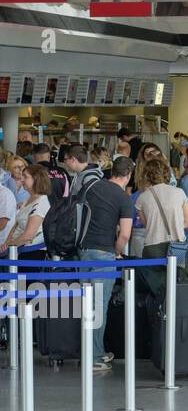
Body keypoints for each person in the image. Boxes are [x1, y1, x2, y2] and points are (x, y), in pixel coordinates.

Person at [73, 157, 135, 371]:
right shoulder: (123, 198)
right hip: (104, 255)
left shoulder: (92, 186)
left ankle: (88, 351)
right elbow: (125, 234)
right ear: (128, 175)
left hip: (83, 253)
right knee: (98, 307)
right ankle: (94, 356)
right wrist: (116, 252)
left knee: (85, 306)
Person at [135, 158, 188, 263]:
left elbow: (146, 224)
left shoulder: (142, 198)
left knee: (153, 278)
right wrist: (175, 225)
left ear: (146, 175)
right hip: (177, 246)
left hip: (153, 246)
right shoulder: (179, 192)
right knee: (177, 277)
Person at [2, 162, 51, 259]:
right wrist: (6, 243)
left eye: (25, 177)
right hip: (17, 250)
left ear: (36, 179)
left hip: (30, 252)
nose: (21, 179)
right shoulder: (29, 199)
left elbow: (28, 236)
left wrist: (9, 246)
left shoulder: (42, 202)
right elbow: (16, 225)